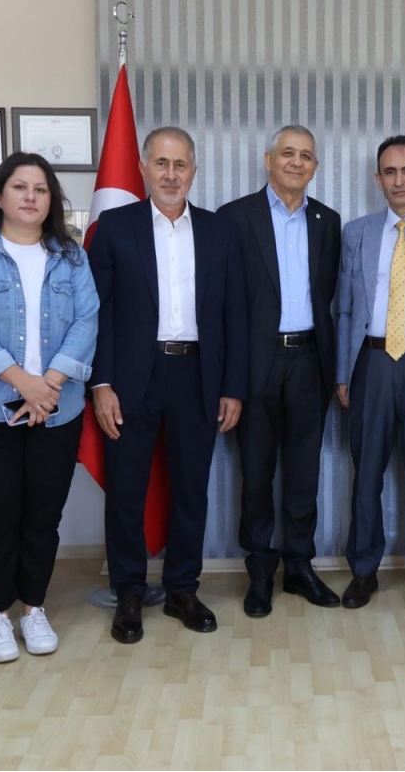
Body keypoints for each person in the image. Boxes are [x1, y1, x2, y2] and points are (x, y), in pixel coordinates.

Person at [89, 126, 248, 642]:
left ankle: (182, 588)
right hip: (131, 377)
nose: (171, 174)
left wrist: (233, 386)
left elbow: (234, 315)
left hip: (197, 375)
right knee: (126, 490)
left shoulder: (219, 231)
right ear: (143, 168)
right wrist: (101, 383)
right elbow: (98, 313)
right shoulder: (115, 228)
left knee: (190, 489)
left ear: (194, 171)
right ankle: (129, 592)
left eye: (181, 165)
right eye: (161, 163)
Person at [0, 152, 99, 663]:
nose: (30, 196)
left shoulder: (71, 257)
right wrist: (25, 385)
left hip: (58, 405)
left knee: (42, 512)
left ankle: (33, 607)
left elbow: (87, 321)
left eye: (40, 188)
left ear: (51, 200)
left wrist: (48, 385)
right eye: (19, 187)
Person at [219, 126, 343, 617]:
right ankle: (259, 572)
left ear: (315, 167)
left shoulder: (327, 221)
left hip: (310, 361)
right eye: (287, 153)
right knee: (255, 473)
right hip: (256, 364)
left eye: (306, 156)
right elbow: (224, 304)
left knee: (304, 472)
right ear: (268, 159)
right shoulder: (234, 218)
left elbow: (330, 298)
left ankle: (299, 566)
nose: (296, 162)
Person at [336, 135, 405, 614]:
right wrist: (343, 372)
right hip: (370, 363)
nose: (399, 180)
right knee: (367, 474)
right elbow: (344, 308)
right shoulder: (357, 232)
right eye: (389, 171)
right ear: (378, 179)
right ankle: (364, 570)